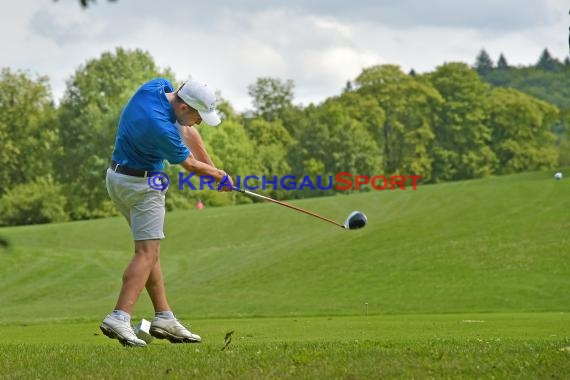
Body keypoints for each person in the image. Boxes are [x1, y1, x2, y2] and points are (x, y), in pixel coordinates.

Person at [100, 78, 234, 347]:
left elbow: (189, 132)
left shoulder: (155, 88)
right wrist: (218, 175)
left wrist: (214, 172)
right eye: (198, 116)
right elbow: (189, 165)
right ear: (184, 107)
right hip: (143, 186)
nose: (199, 122)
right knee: (146, 254)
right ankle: (119, 315)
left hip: (117, 178)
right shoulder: (161, 128)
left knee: (150, 252)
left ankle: (164, 316)